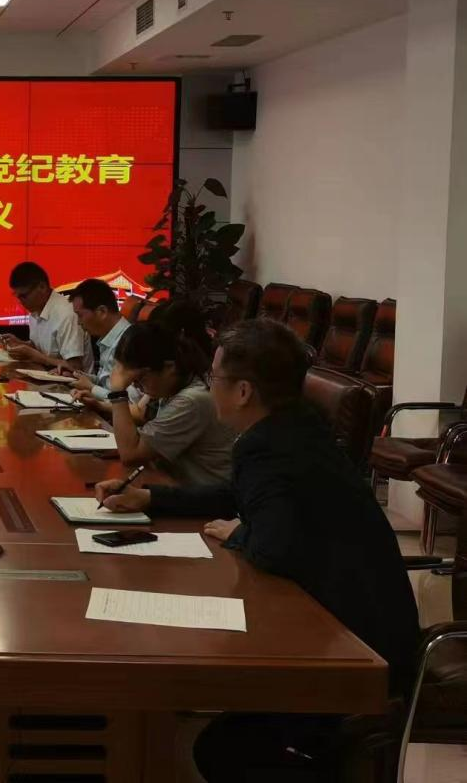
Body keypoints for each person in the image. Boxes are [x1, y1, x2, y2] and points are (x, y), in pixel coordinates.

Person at [96, 319, 420, 782]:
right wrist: (150, 498)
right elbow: (236, 494)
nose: (210, 385)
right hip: (362, 623)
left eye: (216, 377)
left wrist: (240, 533)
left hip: (354, 649)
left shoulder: (270, 446)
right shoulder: (291, 428)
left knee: (220, 748)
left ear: (243, 392)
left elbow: (272, 551)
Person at [105, 306, 235, 486]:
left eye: (140, 379)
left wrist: (118, 392)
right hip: (173, 487)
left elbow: (130, 454)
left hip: (201, 498)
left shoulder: (191, 399)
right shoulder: (177, 383)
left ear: (169, 368)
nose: (137, 387)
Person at [0, 261, 92, 372]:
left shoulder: (66, 314)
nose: (20, 301)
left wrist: (36, 357)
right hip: (45, 376)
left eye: (23, 296)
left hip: (72, 381)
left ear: (42, 287)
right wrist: (21, 344)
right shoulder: (35, 311)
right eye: (17, 296)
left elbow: (75, 367)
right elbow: (41, 348)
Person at [68, 278, 135, 407]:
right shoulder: (108, 337)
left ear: (102, 312)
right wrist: (77, 376)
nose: (78, 322)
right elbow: (105, 382)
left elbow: (131, 403)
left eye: (80, 315)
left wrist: (91, 387)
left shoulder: (130, 342)